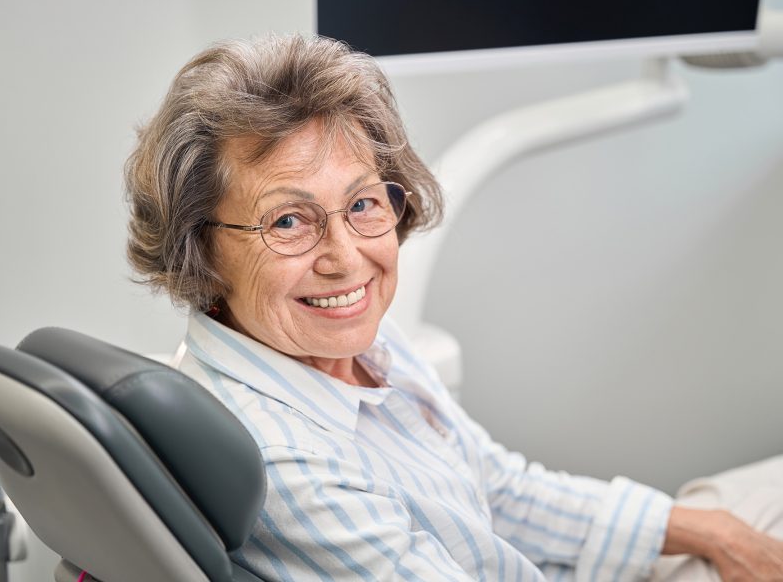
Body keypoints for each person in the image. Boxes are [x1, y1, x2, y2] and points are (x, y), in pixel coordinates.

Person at [124, 34, 783, 581]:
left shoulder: (345, 344)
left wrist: (710, 532)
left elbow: (496, 487)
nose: (347, 258)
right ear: (198, 248)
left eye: (362, 205)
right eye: (289, 222)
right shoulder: (284, 462)